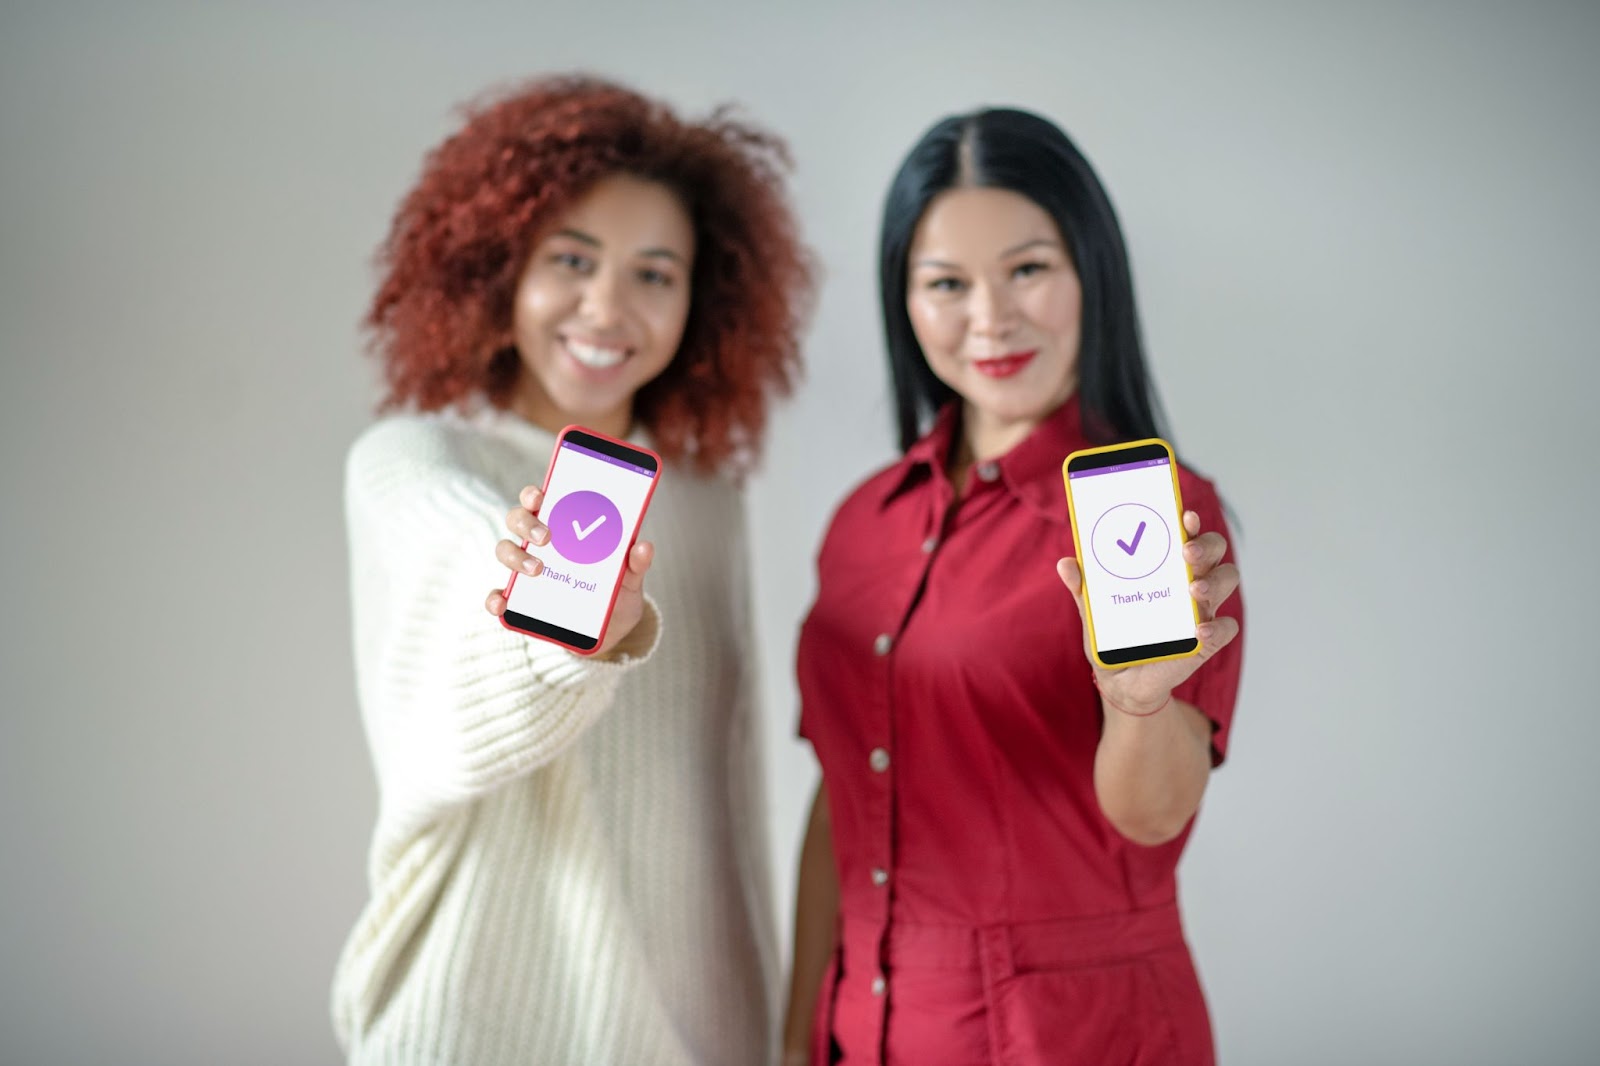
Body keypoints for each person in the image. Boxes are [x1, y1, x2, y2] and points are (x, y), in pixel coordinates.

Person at [333, 74, 812, 1066]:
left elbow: (720, 788)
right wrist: (569, 631)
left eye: (654, 272)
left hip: (694, 1029)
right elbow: (475, 574)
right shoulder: (415, 462)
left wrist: (759, 1022)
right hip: (471, 1021)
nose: (608, 306)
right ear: (494, 271)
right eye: (571, 259)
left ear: (700, 300)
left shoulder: (705, 501)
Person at [780, 108, 1246, 1065]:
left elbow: (1155, 815)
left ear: (1091, 273)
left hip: (1072, 1037)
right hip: (865, 1031)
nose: (989, 317)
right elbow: (842, 804)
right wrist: (794, 1039)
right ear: (902, 300)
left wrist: (1138, 704)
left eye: (1028, 269)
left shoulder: (1154, 516)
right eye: (946, 283)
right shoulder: (863, 522)